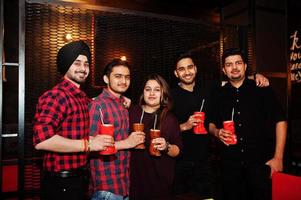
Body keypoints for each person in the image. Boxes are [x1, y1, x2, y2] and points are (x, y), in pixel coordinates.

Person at [171, 52, 270, 199]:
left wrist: (256, 76)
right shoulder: (170, 96)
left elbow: (234, 79)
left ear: (196, 69)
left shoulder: (208, 88)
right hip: (179, 161)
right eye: (182, 69)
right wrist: (184, 126)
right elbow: (163, 129)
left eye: (190, 67)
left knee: (208, 197)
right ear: (176, 73)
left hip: (205, 161)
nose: (187, 72)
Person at [33, 40, 114, 200]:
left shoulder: (80, 98)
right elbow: (42, 141)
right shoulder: (57, 96)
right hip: (60, 183)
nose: (83, 69)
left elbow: (98, 103)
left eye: (87, 64)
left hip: (79, 179)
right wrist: (89, 144)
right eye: (77, 63)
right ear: (66, 65)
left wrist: (121, 99)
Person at [209, 47, 287, 200]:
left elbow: (280, 121)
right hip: (230, 168)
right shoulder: (218, 94)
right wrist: (217, 132)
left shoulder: (262, 89)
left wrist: (278, 157)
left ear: (245, 66)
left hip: (261, 165)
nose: (234, 67)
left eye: (238, 63)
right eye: (229, 64)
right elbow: (210, 123)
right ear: (224, 70)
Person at [89, 58, 145, 200]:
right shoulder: (97, 106)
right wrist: (128, 142)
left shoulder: (123, 105)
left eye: (127, 77)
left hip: (123, 184)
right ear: (106, 79)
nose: (123, 81)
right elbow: (88, 144)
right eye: (118, 76)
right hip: (106, 187)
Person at [129, 74, 182, 200]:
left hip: (161, 183)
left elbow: (178, 151)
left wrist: (166, 146)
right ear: (143, 92)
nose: (152, 93)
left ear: (163, 93)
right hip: (134, 182)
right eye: (148, 89)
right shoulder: (132, 112)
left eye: (157, 90)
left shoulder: (170, 119)